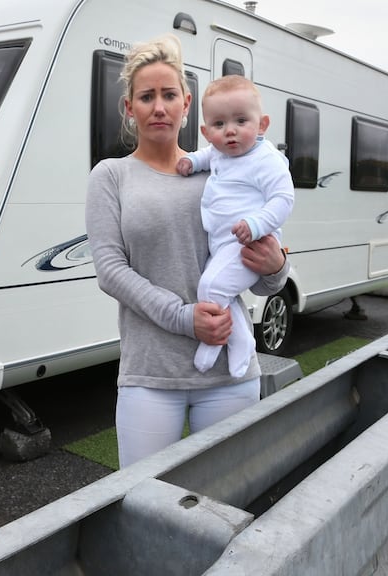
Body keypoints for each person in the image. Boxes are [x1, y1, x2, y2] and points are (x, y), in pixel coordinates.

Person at [85, 35, 290, 469]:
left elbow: (262, 263)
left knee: (221, 502)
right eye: (146, 97)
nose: (158, 106)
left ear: (186, 104)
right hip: (150, 374)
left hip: (229, 377)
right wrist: (184, 318)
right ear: (129, 109)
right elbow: (110, 270)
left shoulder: (222, 166)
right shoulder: (111, 176)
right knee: (139, 502)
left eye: (169, 95)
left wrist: (277, 268)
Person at [176, 75, 295, 377]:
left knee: (211, 287)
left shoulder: (265, 159)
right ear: (206, 131)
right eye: (219, 125)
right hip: (223, 244)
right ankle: (241, 339)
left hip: (247, 244)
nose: (230, 131)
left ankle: (215, 341)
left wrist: (256, 225)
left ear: (263, 124)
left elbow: (283, 199)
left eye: (241, 121)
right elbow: (208, 156)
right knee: (222, 293)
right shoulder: (220, 151)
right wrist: (192, 161)